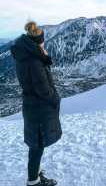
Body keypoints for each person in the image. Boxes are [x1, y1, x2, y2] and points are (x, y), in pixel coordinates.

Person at [10, 21, 62, 186]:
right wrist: (56, 99)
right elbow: (43, 89)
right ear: (38, 42)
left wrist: (43, 57)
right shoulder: (33, 62)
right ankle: (33, 181)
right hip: (39, 109)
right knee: (37, 146)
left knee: (36, 144)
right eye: (42, 41)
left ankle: (36, 175)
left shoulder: (27, 57)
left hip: (32, 107)